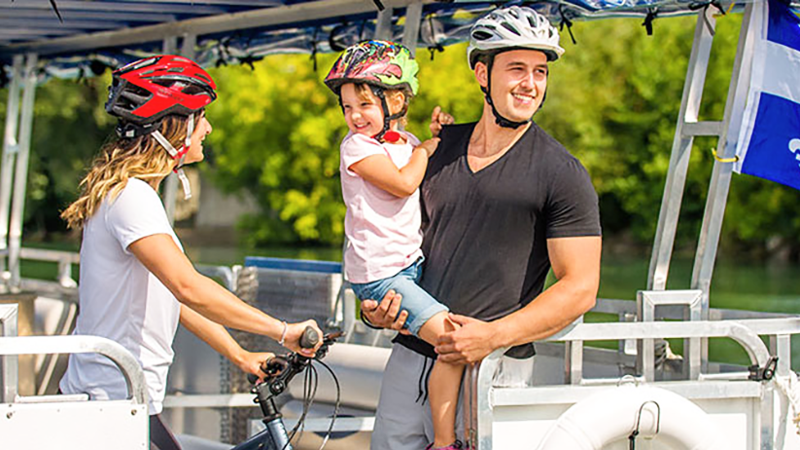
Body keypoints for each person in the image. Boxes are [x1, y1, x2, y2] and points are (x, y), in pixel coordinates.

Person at [361, 6, 603, 449]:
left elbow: (581, 288)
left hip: (494, 371)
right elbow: (388, 241)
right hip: (408, 362)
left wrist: (493, 335)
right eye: (516, 69)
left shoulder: (562, 172)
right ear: (481, 72)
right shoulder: (435, 150)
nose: (530, 84)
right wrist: (375, 310)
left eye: (540, 71)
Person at [59, 54, 322, 450]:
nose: (208, 128)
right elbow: (189, 287)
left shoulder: (126, 193)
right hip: (112, 407)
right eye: (201, 117)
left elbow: (171, 298)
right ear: (173, 125)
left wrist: (240, 355)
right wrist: (283, 331)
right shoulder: (132, 198)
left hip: (119, 401)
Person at [323, 40, 462, 450]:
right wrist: (425, 149)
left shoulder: (407, 141)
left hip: (408, 266)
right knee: (452, 341)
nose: (354, 116)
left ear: (397, 99)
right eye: (347, 107)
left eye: (363, 105)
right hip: (381, 276)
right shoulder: (357, 147)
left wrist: (439, 137)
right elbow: (404, 184)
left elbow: (427, 165)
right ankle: (444, 442)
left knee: (440, 343)